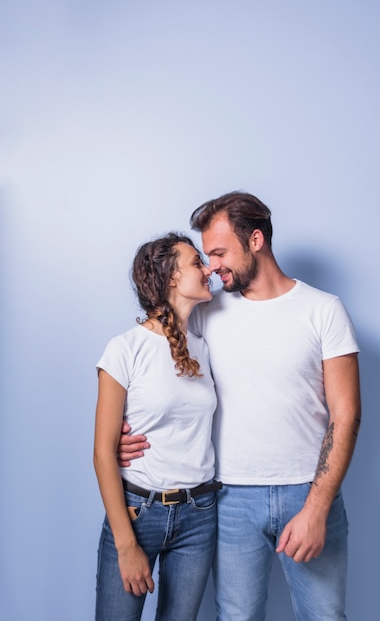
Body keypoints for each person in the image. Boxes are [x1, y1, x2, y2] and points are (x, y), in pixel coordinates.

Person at [119, 192, 361, 621]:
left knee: (326, 617)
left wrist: (317, 509)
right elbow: (151, 364)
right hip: (228, 501)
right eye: (205, 256)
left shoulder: (324, 311)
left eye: (217, 252)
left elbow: (346, 415)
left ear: (255, 241)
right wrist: (125, 433)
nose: (210, 266)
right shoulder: (204, 312)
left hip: (308, 490)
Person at [93, 232, 222, 621]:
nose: (208, 269)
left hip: (200, 515)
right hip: (138, 512)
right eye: (197, 263)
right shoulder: (124, 349)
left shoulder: (204, 345)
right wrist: (126, 544)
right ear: (169, 278)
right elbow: (102, 453)